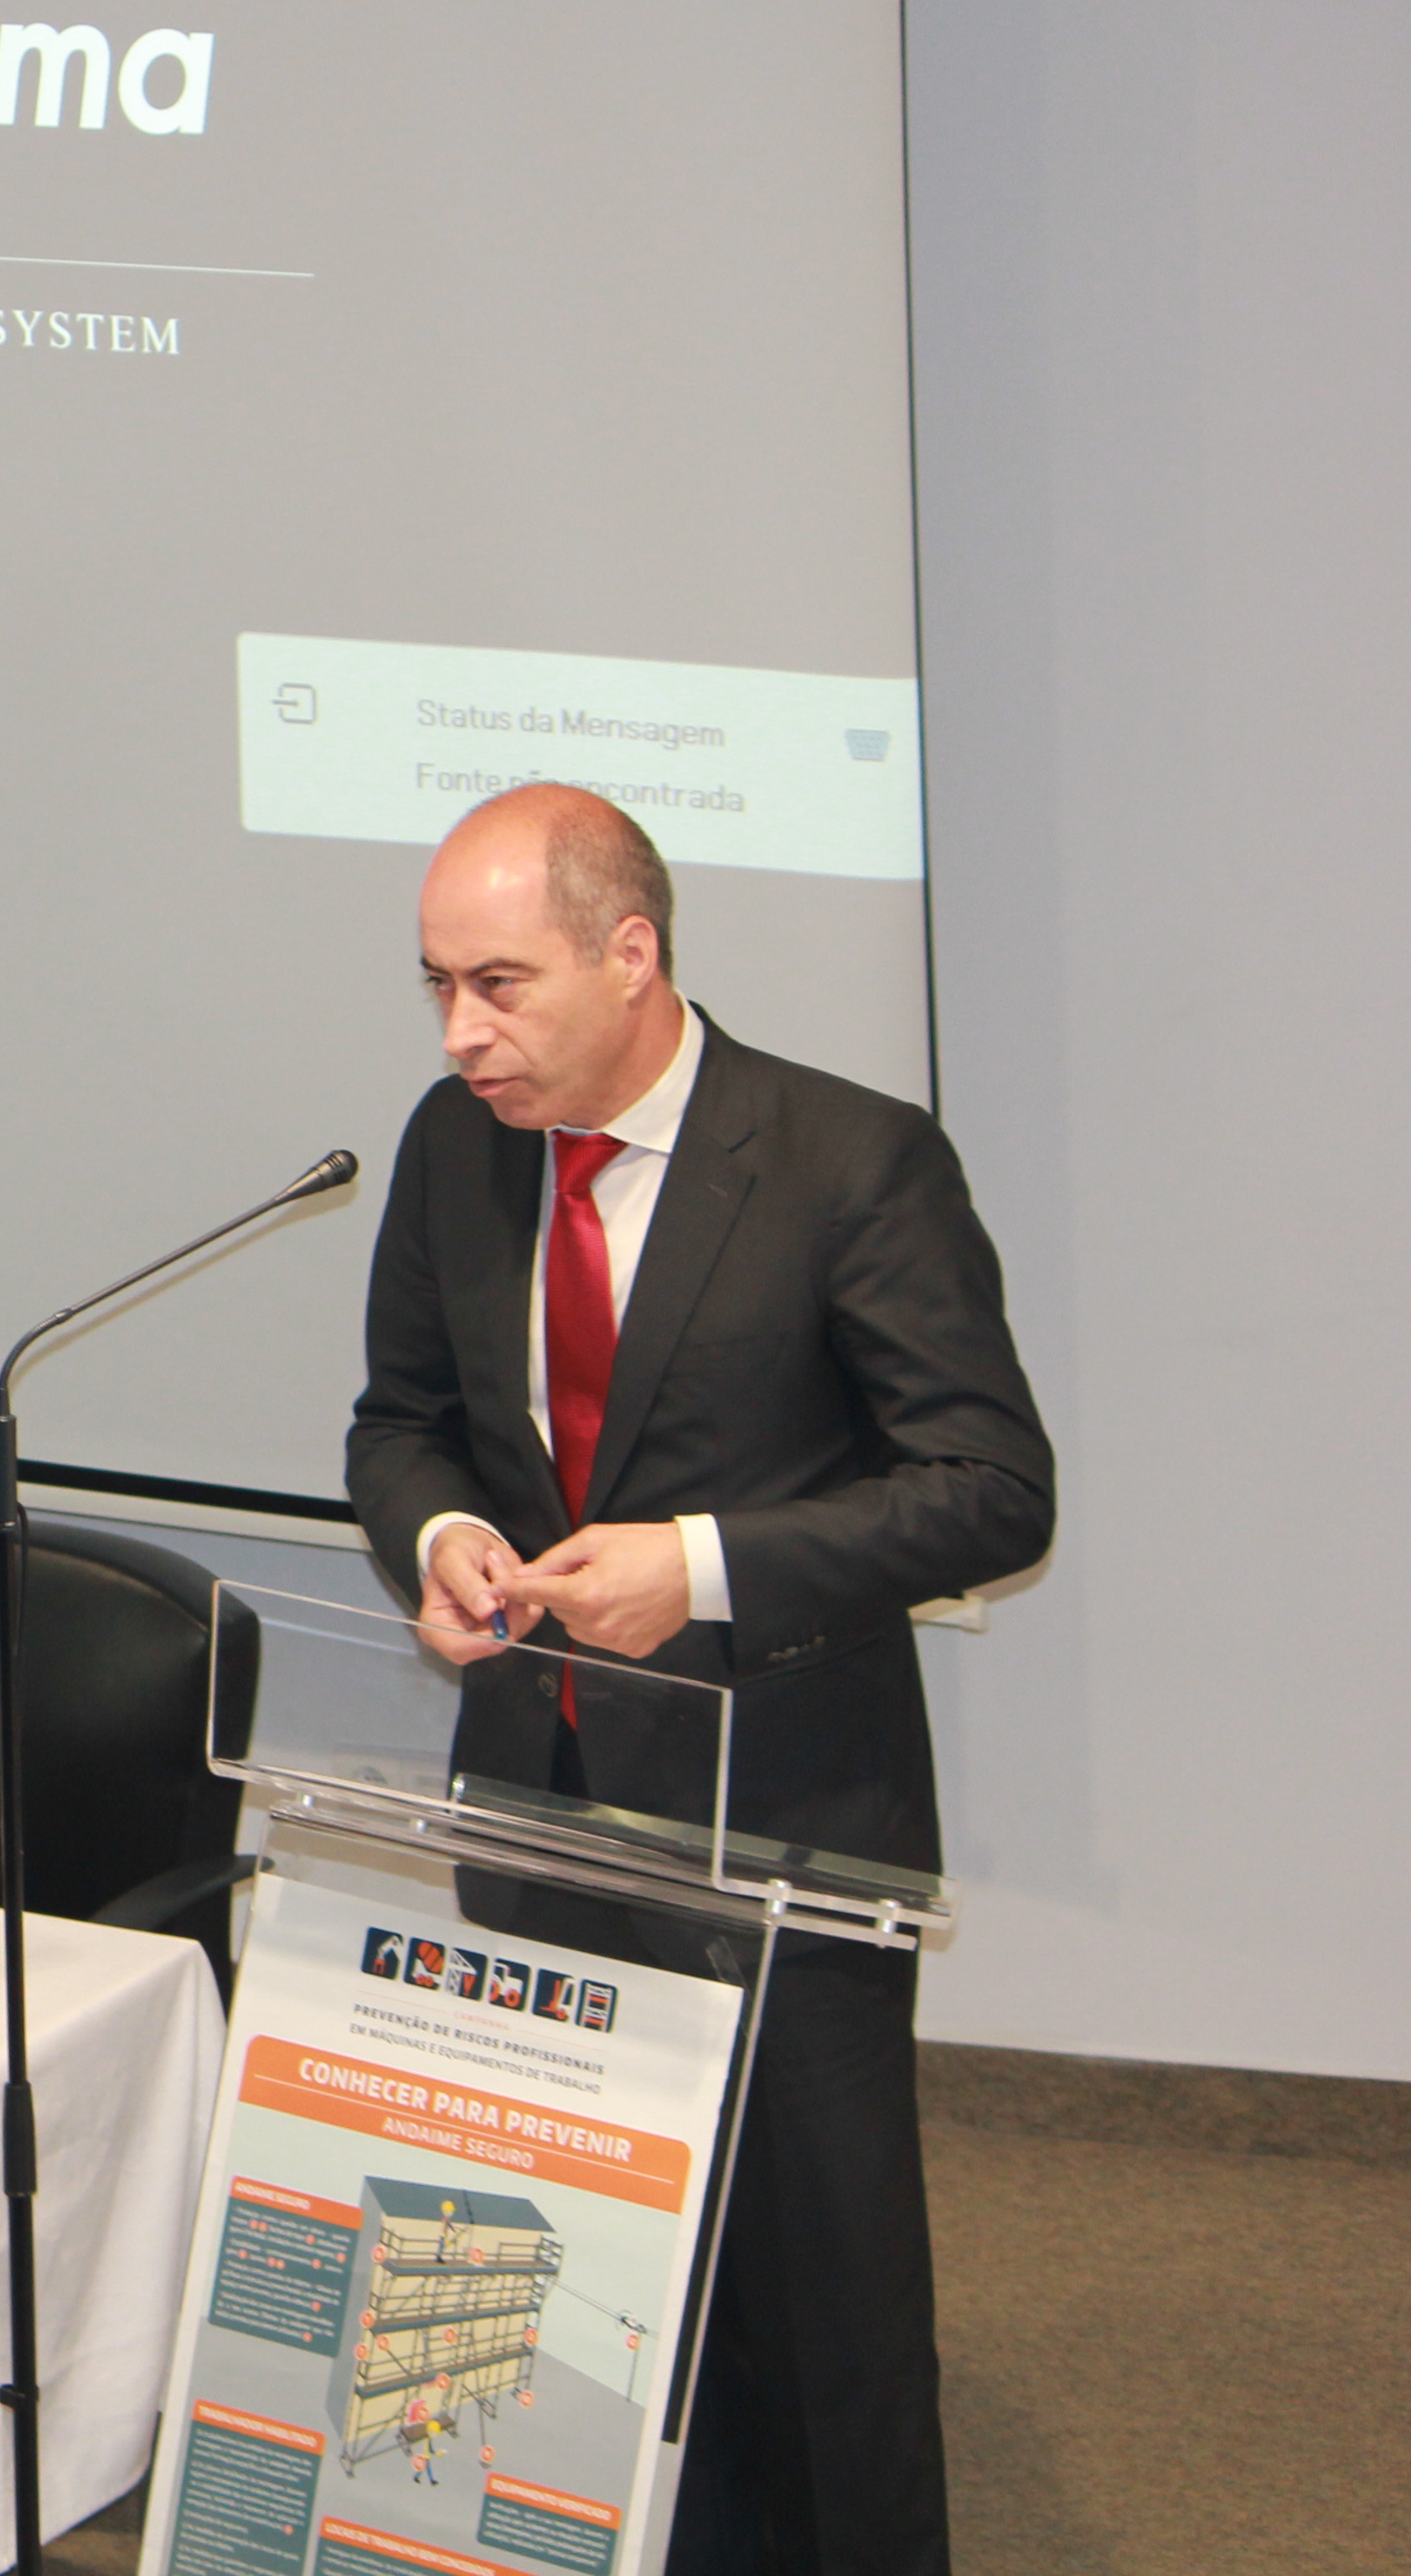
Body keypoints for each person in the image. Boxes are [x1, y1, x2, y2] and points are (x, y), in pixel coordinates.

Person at [349, 783, 1054, 2576]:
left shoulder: (848, 1161)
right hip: (536, 1810)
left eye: (497, 985)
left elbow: (989, 1488)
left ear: (629, 951)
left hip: (782, 1830)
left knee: (815, 2324)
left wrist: (705, 1565)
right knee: (572, 2297)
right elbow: (401, 1425)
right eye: (438, 985)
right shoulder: (451, 1148)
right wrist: (442, 1539)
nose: (459, 1033)